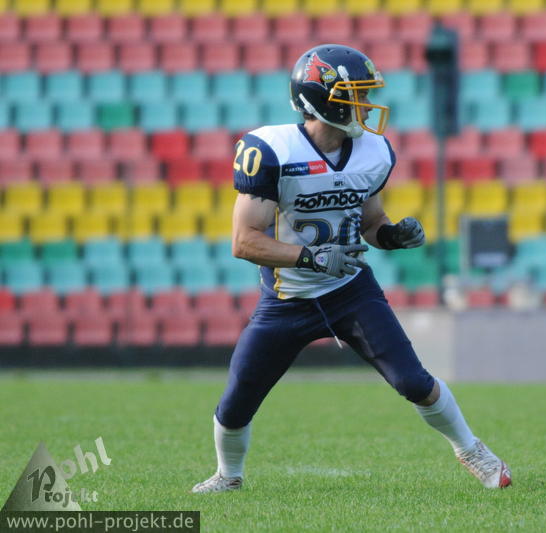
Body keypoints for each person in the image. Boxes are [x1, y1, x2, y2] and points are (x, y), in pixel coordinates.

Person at [191, 44, 511, 493]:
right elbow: (244, 241)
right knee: (239, 397)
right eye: (354, 94)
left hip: (349, 290)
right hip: (287, 298)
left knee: (413, 381)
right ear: (320, 97)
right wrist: (313, 257)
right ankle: (229, 475)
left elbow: (371, 222)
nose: (364, 103)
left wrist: (392, 235)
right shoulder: (272, 150)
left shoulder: (373, 151)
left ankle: (471, 449)